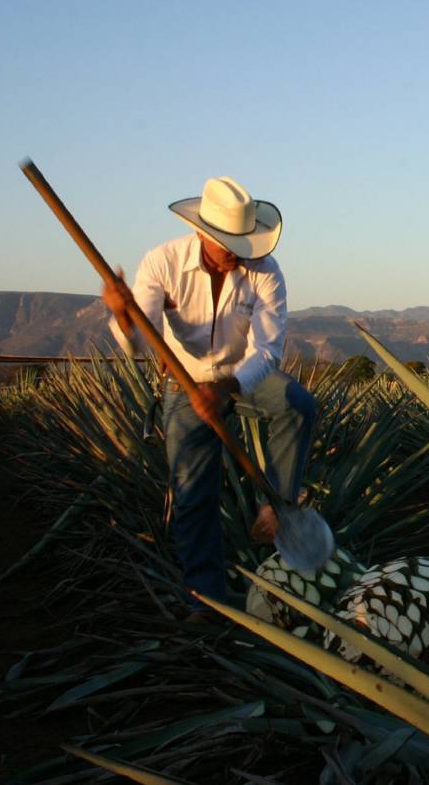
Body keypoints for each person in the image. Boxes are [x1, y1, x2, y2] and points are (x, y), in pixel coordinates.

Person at [102, 176, 318, 621]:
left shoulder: (265, 271)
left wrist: (225, 388)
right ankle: (207, 602)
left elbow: (268, 350)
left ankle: (276, 507)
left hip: (244, 377)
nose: (238, 253)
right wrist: (123, 315)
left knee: (298, 404)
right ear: (201, 233)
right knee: (192, 495)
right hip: (186, 384)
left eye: (243, 242)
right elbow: (139, 340)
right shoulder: (162, 262)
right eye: (228, 244)